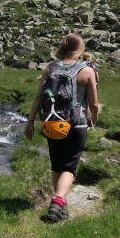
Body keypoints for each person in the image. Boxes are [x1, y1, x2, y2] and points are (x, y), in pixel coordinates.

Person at [24, 33, 99, 223]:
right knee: (69, 167)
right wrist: (93, 120)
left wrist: (30, 122)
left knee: (56, 166)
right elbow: (94, 104)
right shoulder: (86, 70)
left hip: (52, 122)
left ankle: (60, 207)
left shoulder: (51, 68)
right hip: (76, 123)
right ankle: (57, 202)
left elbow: (39, 97)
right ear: (80, 49)